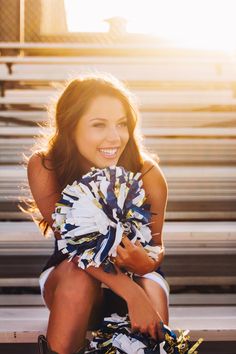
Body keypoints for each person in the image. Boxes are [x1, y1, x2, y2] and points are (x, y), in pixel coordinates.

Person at [26, 73, 169, 354]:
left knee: (151, 297)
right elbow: (75, 247)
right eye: (98, 125)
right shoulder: (45, 166)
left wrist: (147, 264)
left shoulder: (147, 171)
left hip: (137, 274)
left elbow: (156, 244)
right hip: (74, 270)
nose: (114, 137)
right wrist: (132, 295)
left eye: (121, 124)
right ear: (71, 126)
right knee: (79, 282)